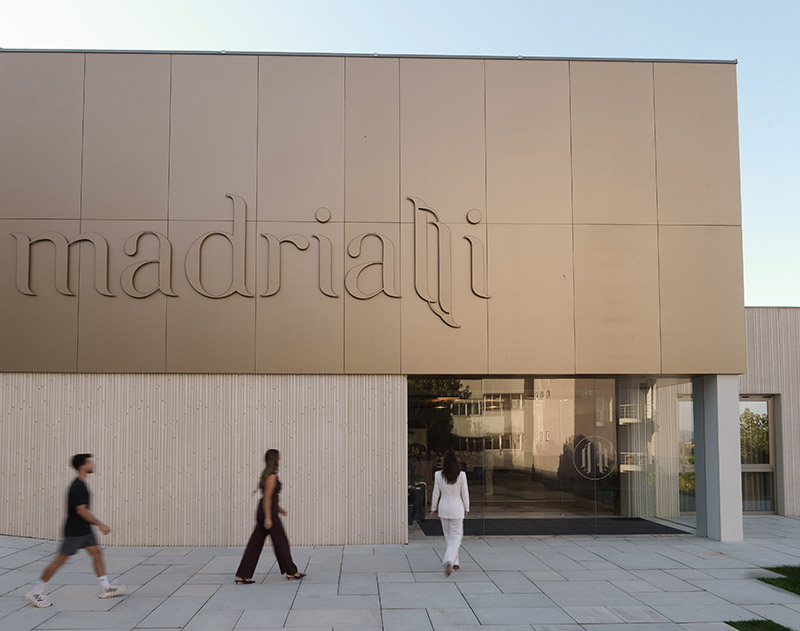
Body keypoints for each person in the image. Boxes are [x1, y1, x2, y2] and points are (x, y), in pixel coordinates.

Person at [26, 454, 125, 608]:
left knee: (97, 554)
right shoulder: (78, 486)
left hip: (85, 530)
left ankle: (106, 587)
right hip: (75, 532)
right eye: (89, 463)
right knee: (59, 561)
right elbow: (81, 510)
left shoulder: (81, 484)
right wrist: (100, 524)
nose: (92, 465)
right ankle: (36, 591)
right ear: (82, 466)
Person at [234, 449, 305, 583]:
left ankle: (242, 575)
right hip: (268, 514)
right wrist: (268, 517)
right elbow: (267, 497)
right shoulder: (271, 476)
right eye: (278, 457)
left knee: (255, 544)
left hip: (267, 511)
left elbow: (270, 497)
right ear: (276, 460)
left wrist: (279, 509)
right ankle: (291, 572)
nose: (280, 459)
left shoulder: (267, 475)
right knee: (281, 542)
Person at [430, 451, 470, 577]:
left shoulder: (438, 475)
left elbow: (436, 493)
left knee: (448, 536)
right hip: (457, 509)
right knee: (456, 537)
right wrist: (467, 508)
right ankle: (449, 560)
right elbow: (465, 493)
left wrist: (433, 508)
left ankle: (454, 561)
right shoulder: (462, 475)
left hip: (444, 509)